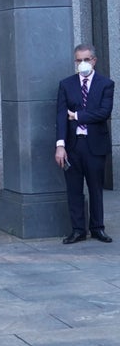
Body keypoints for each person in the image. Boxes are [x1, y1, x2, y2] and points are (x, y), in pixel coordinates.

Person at [55, 44, 114, 244]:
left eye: (86, 60)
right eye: (78, 60)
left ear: (94, 60)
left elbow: (103, 113)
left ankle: (97, 228)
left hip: (95, 145)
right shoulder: (66, 84)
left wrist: (78, 115)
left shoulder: (106, 84)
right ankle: (78, 229)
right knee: (74, 189)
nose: (82, 64)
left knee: (96, 188)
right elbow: (61, 116)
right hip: (73, 146)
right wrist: (60, 145)